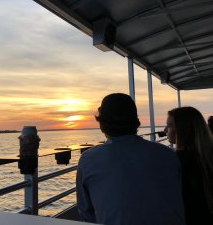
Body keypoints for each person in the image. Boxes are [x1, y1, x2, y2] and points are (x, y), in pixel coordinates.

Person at [76, 93, 185, 225]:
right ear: (135, 121)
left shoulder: (88, 159)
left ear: (102, 124)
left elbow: (86, 213)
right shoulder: (167, 154)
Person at [165, 107, 213, 225]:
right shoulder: (207, 156)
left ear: (183, 130)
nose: (165, 130)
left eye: (170, 126)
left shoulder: (177, 160)